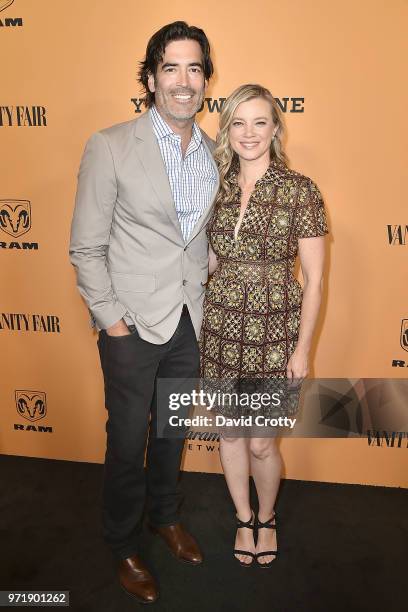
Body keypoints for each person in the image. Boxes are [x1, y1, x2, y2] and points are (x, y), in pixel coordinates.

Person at [69, 21, 218, 604]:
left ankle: (165, 516)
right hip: (130, 322)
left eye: (195, 68)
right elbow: (86, 245)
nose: (184, 81)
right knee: (128, 440)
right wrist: (114, 324)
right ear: (151, 77)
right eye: (172, 68)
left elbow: (193, 239)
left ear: (206, 79)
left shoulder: (212, 150)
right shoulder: (110, 144)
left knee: (172, 432)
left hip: (188, 320)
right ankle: (123, 543)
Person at [199, 84, 329, 567]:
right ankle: (241, 516)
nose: (248, 133)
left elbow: (314, 282)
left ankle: (267, 517)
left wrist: (303, 349)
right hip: (221, 329)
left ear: (275, 128)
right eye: (238, 122)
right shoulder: (215, 184)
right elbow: (209, 260)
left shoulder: (301, 190)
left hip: (275, 335)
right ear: (227, 129)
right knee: (230, 435)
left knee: (260, 441)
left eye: (259, 122)